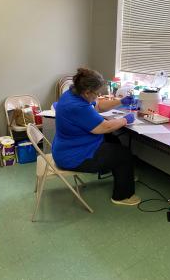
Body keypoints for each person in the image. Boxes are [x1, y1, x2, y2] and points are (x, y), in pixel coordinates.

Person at [52, 67, 141, 206]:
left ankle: (124, 176)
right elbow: (105, 127)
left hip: (70, 146)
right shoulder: (77, 106)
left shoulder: (73, 93)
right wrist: (126, 119)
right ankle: (122, 196)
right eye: (97, 92)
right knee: (124, 154)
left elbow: (99, 105)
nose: (98, 95)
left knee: (114, 140)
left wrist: (121, 101)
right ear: (87, 92)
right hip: (72, 156)